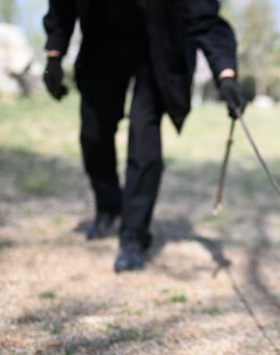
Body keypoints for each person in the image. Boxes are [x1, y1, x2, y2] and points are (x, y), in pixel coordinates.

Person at [42, 0, 247, 272]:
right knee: (93, 133)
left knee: (144, 135)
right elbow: (61, 5)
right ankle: (109, 204)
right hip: (104, 40)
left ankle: (134, 235)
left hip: (159, 46)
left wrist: (226, 75)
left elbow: (205, 18)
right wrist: (54, 55)